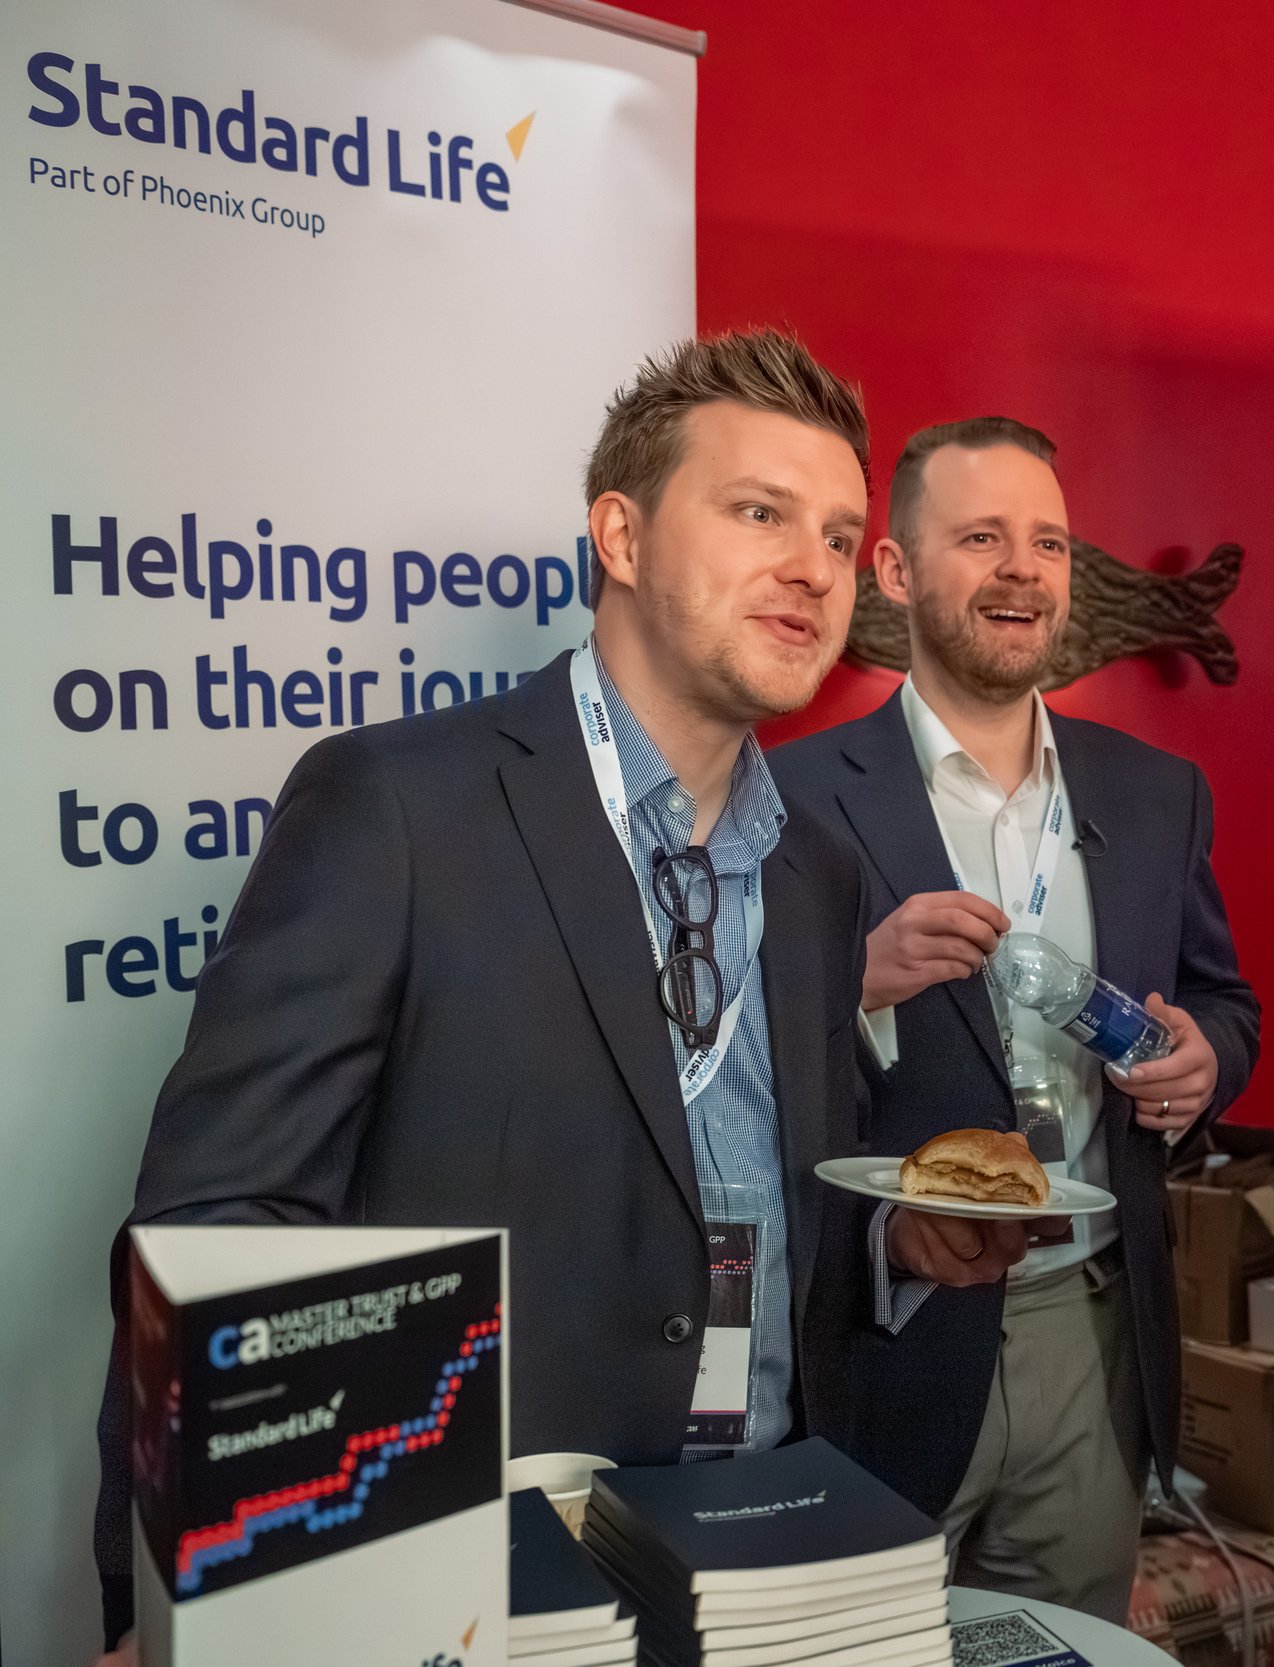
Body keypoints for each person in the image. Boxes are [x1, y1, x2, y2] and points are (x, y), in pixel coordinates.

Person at [88, 330, 1027, 1660]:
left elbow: (740, 1190)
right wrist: (186, 1594)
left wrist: (890, 1246)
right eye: (758, 512)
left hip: (758, 1562)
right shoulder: (400, 807)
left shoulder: (816, 866)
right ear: (622, 536)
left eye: (834, 531)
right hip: (467, 1583)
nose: (810, 566)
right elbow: (214, 1231)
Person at [771, 417, 1260, 1620]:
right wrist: (854, 977)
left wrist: (1205, 1062)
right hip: (883, 1339)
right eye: (981, 536)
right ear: (893, 572)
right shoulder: (787, 796)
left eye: (1047, 540)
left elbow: (1224, 1003)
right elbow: (712, 1061)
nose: (1023, 569)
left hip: (1094, 1341)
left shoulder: (1156, 793)